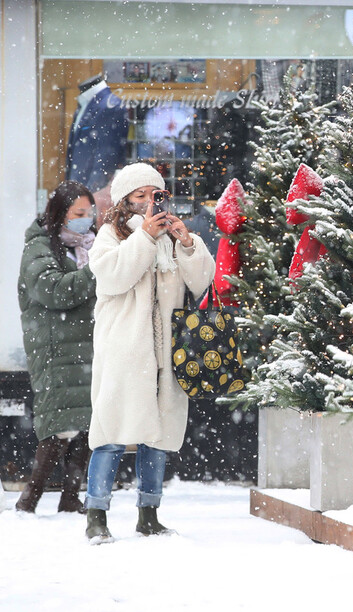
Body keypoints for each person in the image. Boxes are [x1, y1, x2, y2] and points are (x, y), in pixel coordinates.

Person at [84, 162, 215, 543]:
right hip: (124, 348)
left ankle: (149, 513)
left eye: (154, 195)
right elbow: (113, 276)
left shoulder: (171, 235)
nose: (147, 202)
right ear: (124, 200)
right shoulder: (110, 234)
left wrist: (187, 243)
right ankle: (96, 515)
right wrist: (143, 236)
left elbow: (201, 282)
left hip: (166, 350)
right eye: (138, 195)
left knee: (157, 432)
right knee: (110, 431)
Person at [16, 181, 98, 514]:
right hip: (54, 348)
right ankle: (30, 498)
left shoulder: (88, 245)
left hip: (85, 345)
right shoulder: (40, 248)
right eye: (78, 213)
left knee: (87, 422)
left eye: (89, 213)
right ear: (59, 213)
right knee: (58, 425)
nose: (86, 220)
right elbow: (52, 290)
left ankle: (70, 496)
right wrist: (96, 272)